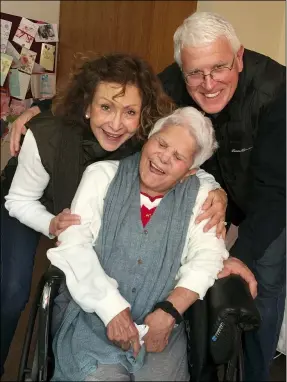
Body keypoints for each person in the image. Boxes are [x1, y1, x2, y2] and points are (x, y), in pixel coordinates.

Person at [1, 53, 230, 375]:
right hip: (29, 203)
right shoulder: (48, 136)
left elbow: (184, 156)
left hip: (79, 210)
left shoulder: (143, 134)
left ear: (143, 118)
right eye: (105, 107)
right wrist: (50, 223)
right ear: (87, 106)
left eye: (130, 112)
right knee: (11, 291)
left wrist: (214, 189)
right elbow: (21, 200)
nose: (116, 123)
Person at [47, 106, 229, 381]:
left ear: (190, 171)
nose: (163, 158)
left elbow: (208, 256)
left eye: (178, 156)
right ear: (148, 140)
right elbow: (74, 244)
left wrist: (169, 311)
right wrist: (111, 309)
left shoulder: (203, 195)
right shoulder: (102, 176)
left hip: (163, 329)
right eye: (161, 143)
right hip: (93, 320)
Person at [157, 11, 286, 381]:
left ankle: (256, 374)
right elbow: (118, 103)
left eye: (219, 68)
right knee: (192, 271)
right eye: (195, 72)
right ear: (182, 68)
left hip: (270, 198)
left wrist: (240, 257)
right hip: (213, 194)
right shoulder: (169, 82)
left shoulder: (277, 91)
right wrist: (43, 108)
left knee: (262, 281)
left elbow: (276, 191)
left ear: (239, 57)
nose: (208, 83)